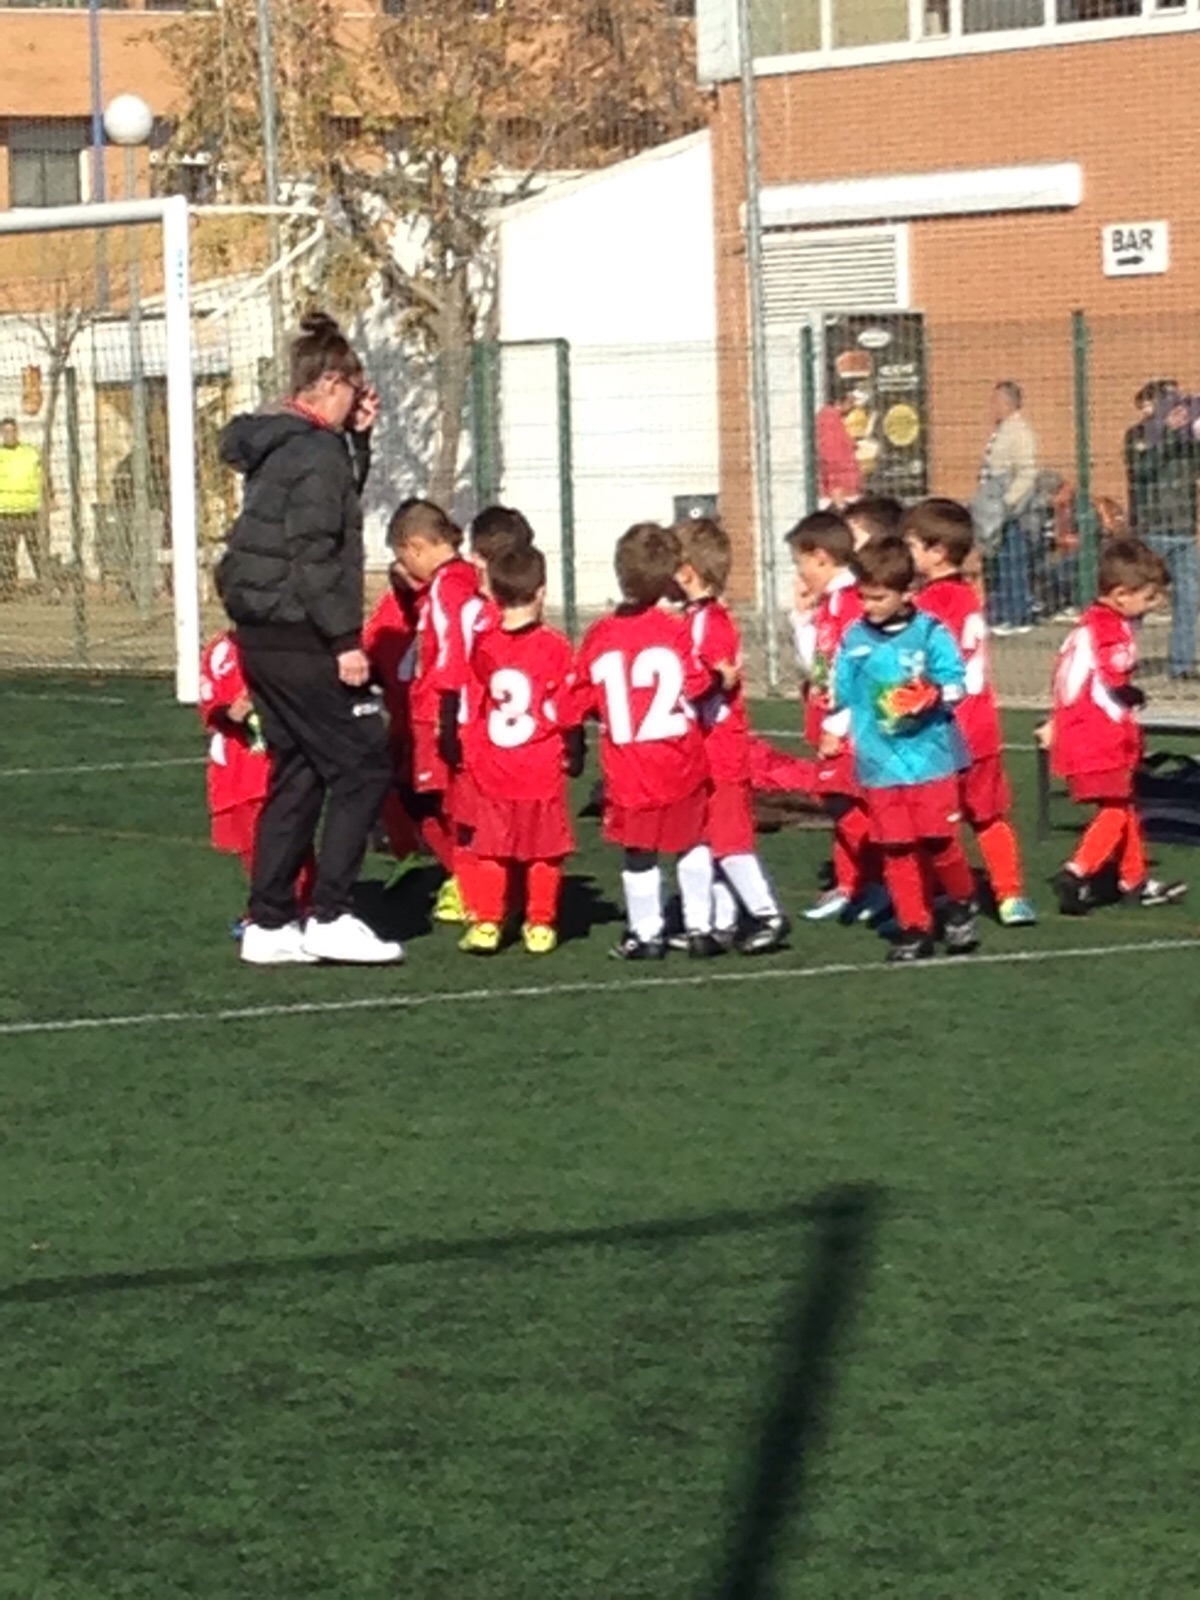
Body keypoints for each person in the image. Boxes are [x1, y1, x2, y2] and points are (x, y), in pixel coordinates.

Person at [216, 311, 400, 967]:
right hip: (299, 635)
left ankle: (269, 922)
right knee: (361, 765)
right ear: (328, 383)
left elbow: (329, 509)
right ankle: (330, 913)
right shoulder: (315, 450)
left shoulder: (287, 445)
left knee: (298, 769)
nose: (359, 396)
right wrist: (345, 639)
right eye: (353, 385)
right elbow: (315, 552)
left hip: (262, 634)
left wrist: (361, 443)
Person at [575, 522, 723, 960]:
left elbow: (583, 697)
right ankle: (700, 927)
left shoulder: (600, 634)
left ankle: (646, 933)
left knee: (639, 852)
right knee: (692, 840)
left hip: (629, 765)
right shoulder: (674, 629)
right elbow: (695, 683)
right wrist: (719, 676)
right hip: (678, 756)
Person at [829, 537, 978, 963]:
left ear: (907, 593)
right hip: (879, 762)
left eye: (878, 597)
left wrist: (931, 694)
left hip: (930, 758)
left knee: (938, 841)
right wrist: (833, 726)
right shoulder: (854, 638)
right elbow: (842, 693)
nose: (868, 605)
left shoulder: (930, 632)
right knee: (895, 847)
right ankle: (914, 926)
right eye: (863, 596)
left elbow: (958, 682)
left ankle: (961, 900)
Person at [904, 497, 1037, 926]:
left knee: (933, 821)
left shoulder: (929, 605)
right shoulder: (966, 597)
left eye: (912, 546)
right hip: (981, 725)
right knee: (989, 815)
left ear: (936, 551)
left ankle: (942, 897)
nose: (907, 554)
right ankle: (1011, 895)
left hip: (943, 729)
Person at [452, 544, 582, 956]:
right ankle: (539, 923)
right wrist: (575, 751)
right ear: (541, 592)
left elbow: (481, 692)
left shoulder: (484, 645)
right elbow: (568, 707)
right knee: (545, 849)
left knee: (492, 845)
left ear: (494, 592)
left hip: (493, 762)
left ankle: (488, 921)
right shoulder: (556, 647)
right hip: (540, 763)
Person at [1047, 538, 1186, 915]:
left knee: (1124, 806)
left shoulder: (1088, 624)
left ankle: (1134, 878)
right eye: (1150, 597)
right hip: (1099, 734)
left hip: (1082, 730)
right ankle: (1078, 871)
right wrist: (1132, 692)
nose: (1154, 605)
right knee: (1113, 809)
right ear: (1121, 594)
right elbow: (1113, 672)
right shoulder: (1111, 628)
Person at [674, 517, 789, 955]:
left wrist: (688, 683)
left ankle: (767, 914)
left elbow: (714, 676)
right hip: (702, 747)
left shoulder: (711, 621)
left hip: (720, 746)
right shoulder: (694, 617)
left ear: (687, 570)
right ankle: (716, 923)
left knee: (729, 837)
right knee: (706, 836)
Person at [390, 497, 484, 925]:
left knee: (435, 803)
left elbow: (452, 651)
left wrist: (448, 707)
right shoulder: (456, 580)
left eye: (404, 558)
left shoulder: (449, 586)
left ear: (415, 547)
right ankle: (471, 878)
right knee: (426, 799)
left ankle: (472, 883)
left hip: (438, 709)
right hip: (437, 707)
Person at [786, 510, 879, 922]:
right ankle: (851, 884)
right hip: (839, 722)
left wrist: (836, 724)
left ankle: (882, 883)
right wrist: (802, 618)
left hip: (846, 726)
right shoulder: (835, 603)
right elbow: (819, 666)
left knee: (850, 807)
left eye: (800, 563)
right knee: (842, 805)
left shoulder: (845, 603)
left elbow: (835, 670)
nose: (800, 573)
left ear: (821, 557)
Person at [198, 629, 315, 929]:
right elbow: (211, 706)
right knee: (249, 840)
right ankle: (274, 906)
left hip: (281, 762)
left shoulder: (291, 649)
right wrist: (231, 712)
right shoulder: (220, 650)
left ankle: (297, 907)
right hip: (237, 764)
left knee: (286, 832)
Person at [1125, 384, 1200, 680]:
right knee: (1138, 597)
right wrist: (1168, 432)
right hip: (1151, 530)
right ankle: (1121, 658)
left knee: (1190, 597)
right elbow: (1143, 469)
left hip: (1182, 529)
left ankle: (1181, 663)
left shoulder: (1187, 438)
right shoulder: (1138, 436)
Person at [977, 381, 1038, 634]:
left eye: (996, 401)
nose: (992, 407)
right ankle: (1003, 613)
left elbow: (1027, 471)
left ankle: (1017, 616)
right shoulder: (1002, 430)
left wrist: (1008, 502)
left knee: (1013, 560)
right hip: (994, 505)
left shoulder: (1019, 432)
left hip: (1010, 510)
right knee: (1000, 561)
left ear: (1008, 403)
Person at [0, 417, 44, 599]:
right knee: (7, 552)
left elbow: (43, 474)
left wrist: (50, 498)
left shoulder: (30, 452)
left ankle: (45, 583)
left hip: (29, 509)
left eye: (12, 431)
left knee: (35, 549)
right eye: (6, 432)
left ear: (17, 432)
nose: (9, 435)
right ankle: (8, 587)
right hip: (6, 510)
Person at [815, 392, 864, 509]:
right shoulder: (830, 421)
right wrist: (838, 495)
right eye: (852, 402)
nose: (854, 407)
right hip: (843, 490)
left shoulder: (833, 419)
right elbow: (833, 458)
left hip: (843, 489)